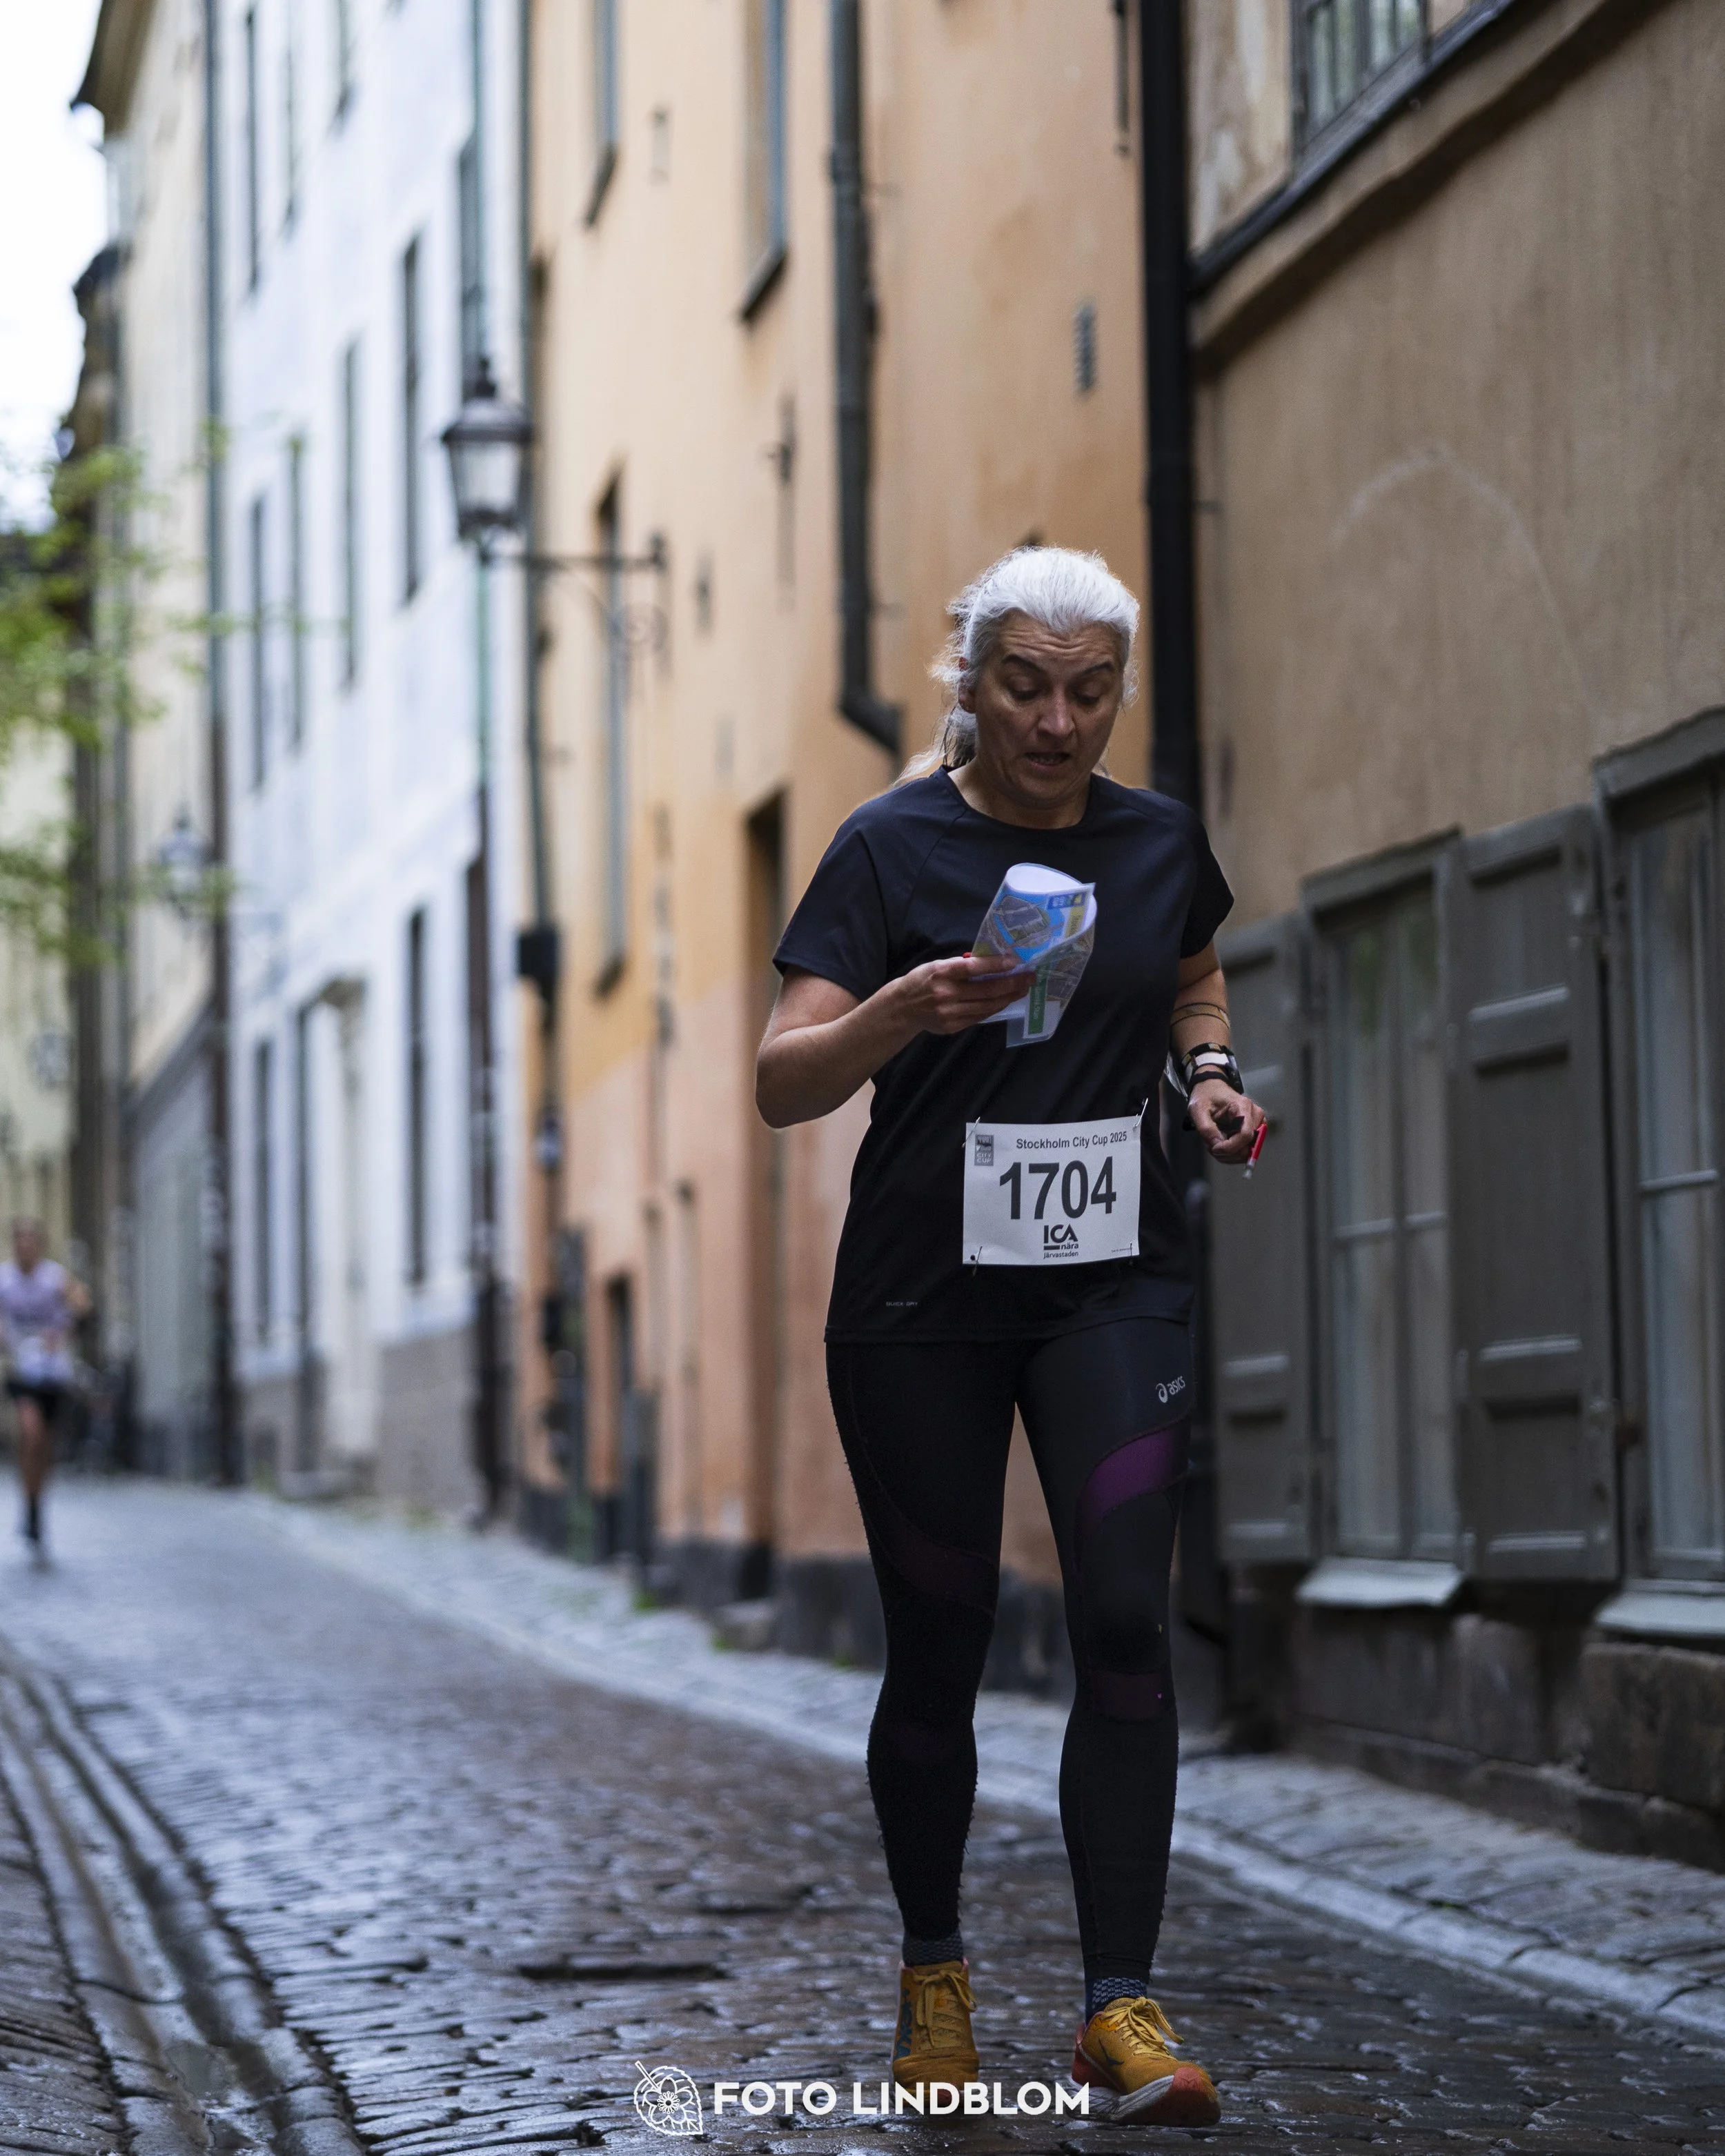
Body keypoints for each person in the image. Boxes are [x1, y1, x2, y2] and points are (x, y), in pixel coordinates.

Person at [756, 547, 1264, 2126]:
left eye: (1090, 690)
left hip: (1114, 1279)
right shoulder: (886, 845)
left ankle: (1120, 2005)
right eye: (1025, 686)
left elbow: (1187, 966)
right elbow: (784, 1079)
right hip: (924, 1297)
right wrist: (899, 1010)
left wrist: (1210, 1075)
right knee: (945, 1638)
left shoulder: (1156, 839)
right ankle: (935, 1981)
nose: (1057, 721)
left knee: (1125, 1616)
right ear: (967, 682)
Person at [1, 1219, 90, 1556]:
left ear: (39, 1246)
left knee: (45, 1445)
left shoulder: (53, 1278)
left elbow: (81, 1304)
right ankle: (28, 1500)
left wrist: (63, 1333)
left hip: (53, 1372)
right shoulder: (5, 1280)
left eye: (31, 1243)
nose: (25, 1249)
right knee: (30, 1433)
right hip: (21, 1371)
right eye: (19, 1243)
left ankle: (37, 1507)